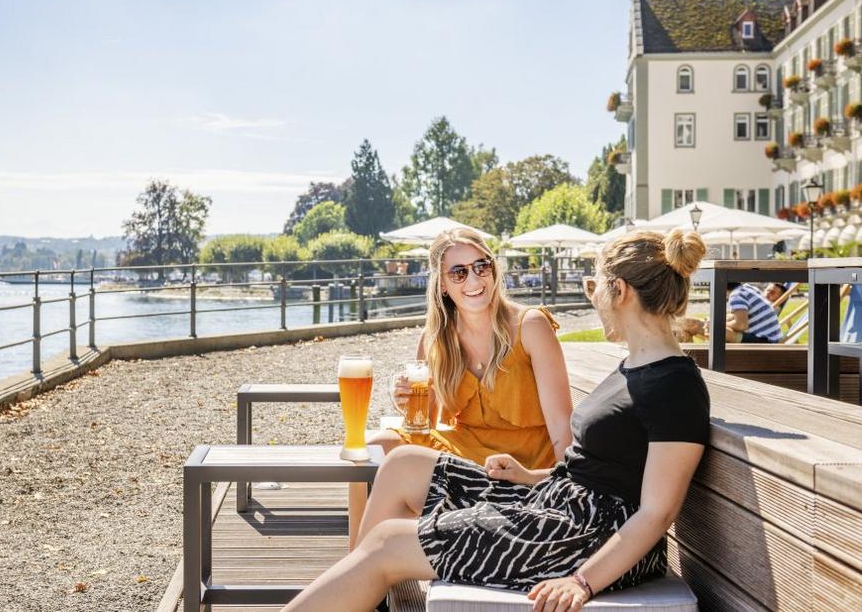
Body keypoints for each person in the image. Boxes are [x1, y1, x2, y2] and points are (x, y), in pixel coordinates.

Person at [283, 229, 710, 612]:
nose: (591, 296)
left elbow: (657, 511)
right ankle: (356, 597)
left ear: (620, 291)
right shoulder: (637, 367)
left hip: (585, 535)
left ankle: (354, 591)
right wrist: (529, 476)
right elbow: (595, 469)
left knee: (387, 542)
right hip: (560, 506)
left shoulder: (673, 384)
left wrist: (582, 580)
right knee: (401, 465)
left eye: (594, 286)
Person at [347, 227, 573, 548]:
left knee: (393, 472)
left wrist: (560, 489)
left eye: (482, 266)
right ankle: (358, 563)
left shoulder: (530, 326)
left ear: (494, 269)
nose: (474, 280)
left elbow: (564, 432)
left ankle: (369, 572)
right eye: (458, 272)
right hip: (465, 457)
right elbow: (426, 425)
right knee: (370, 449)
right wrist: (404, 401)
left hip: (522, 467)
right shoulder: (436, 339)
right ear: (441, 284)